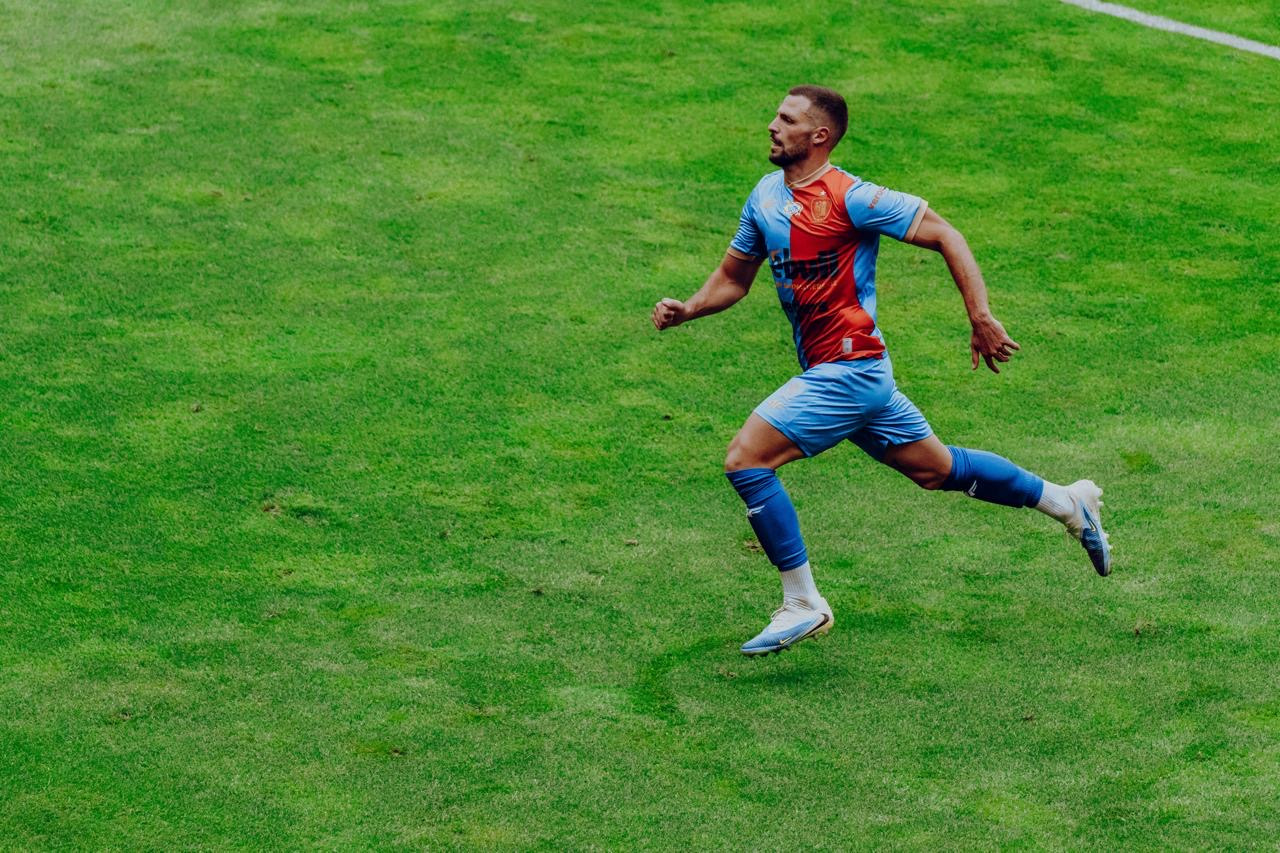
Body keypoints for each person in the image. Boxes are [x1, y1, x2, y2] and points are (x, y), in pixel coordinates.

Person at [652, 85, 1111, 657]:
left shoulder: (853, 197)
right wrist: (689, 309)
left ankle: (803, 602)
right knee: (937, 470)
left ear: (819, 136)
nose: (772, 125)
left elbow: (945, 234)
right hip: (847, 373)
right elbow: (733, 278)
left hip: (851, 369)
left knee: (747, 459)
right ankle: (1067, 502)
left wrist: (980, 317)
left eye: (787, 119)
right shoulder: (765, 195)